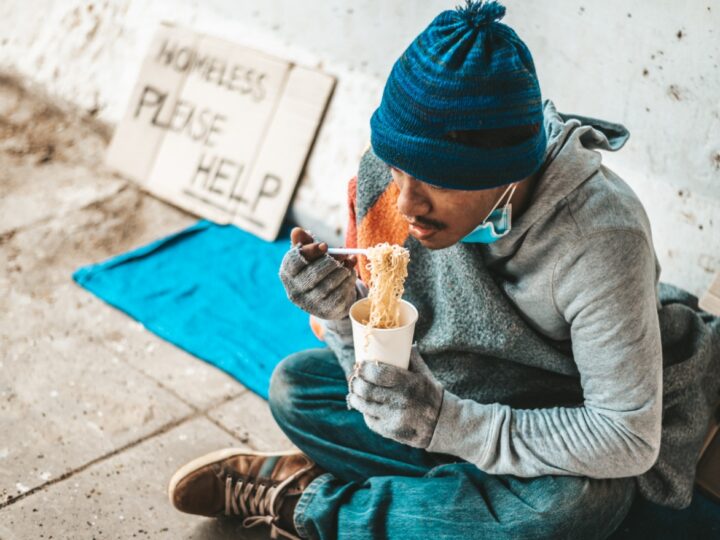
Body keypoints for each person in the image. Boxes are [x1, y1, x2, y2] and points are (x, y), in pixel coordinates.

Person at [166, 2, 720, 538]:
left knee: (574, 507)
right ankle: (448, 507)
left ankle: (309, 502)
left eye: (437, 180)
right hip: (450, 392)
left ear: (510, 169)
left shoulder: (600, 238)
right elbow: (375, 361)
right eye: (398, 168)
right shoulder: (386, 186)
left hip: (559, 416)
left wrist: (444, 424)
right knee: (295, 388)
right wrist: (341, 314)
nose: (407, 205)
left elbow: (625, 435)